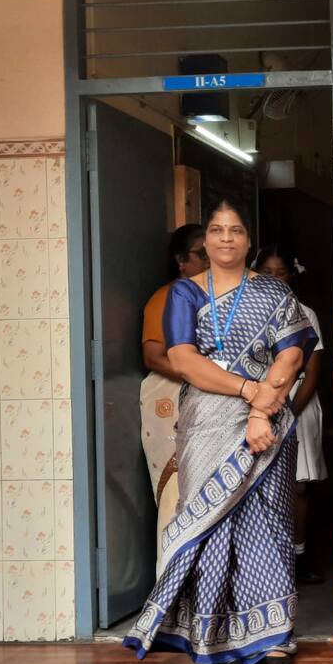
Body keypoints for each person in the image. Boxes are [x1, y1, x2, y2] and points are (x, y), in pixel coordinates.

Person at [124, 198, 318, 664]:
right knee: (209, 525)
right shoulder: (184, 294)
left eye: (235, 230)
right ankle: (215, 638)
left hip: (267, 421)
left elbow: (292, 356)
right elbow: (184, 360)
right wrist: (245, 389)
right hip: (206, 423)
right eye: (216, 230)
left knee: (267, 523)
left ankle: (274, 635)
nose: (226, 238)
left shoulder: (274, 293)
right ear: (205, 240)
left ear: (248, 241)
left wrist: (259, 410)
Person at [255, 245, 328, 584]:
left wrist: (287, 414)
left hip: (299, 404)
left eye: (280, 272)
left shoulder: (305, 313)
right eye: (266, 272)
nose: (273, 278)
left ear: (291, 276)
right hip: (257, 407)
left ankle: (299, 555)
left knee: (299, 485)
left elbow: (312, 373)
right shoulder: (249, 314)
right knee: (264, 485)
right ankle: (271, 559)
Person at [139, 223, 208, 571]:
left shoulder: (221, 296)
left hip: (210, 395)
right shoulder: (167, 297)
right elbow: (153, 355)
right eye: (201, 254)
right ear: (181, 261)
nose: (210, 260)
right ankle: (170, 592)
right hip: (171, 395)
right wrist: (200, 377)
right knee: (175, 492)